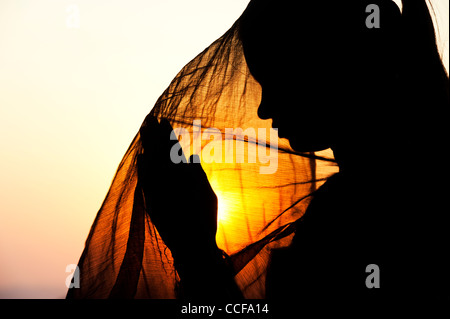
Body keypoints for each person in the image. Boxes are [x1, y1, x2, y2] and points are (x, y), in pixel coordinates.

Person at [68, 0, 449, 301]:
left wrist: (195, 248)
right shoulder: (412, 177)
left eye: (276, 79)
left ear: (327, 65)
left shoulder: (364, 212)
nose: (264, 108)